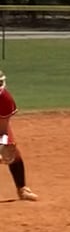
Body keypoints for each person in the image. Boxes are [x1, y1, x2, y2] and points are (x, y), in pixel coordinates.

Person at [0, 71, 39, 202]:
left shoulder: (5, 99)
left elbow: (3, 129)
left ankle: (22, 189)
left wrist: (1, 147)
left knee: (12, 152)